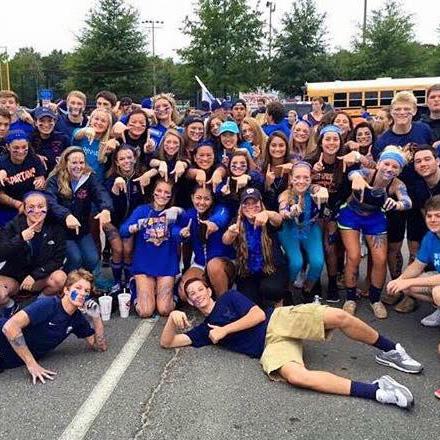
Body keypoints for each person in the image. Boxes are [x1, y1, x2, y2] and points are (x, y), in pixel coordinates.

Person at [160, 277, 421, 409]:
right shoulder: (203, 331)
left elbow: (258, 315)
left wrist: (225, 330)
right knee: (296, 377)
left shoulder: (229, 298)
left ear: (208, 290)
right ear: (190, 301)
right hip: (270, 348)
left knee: (339, 316)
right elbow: (168, 343)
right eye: (190, 294)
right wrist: (171, 319)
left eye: (198, 290)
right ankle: (377, 390)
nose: (195, 295)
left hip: (278, 321)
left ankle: (391, 350)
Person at [338, 147, 412, 318]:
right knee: (354, 256)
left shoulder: (397, 184)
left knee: (380, 258)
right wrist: (355, 176)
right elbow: (354, 172)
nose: (389, 169)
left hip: (375, 218)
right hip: (351, 214)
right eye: (386, 164)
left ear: (399, 170)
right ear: (378, 164)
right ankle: (350, 298)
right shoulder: (367, 172)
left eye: (395, 167)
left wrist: (398, 205)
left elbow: (406, 200)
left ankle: (375, 299)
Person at [0, 269, 107, 383]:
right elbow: (9, 327)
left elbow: (99, 346)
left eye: (86, 291)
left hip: (8, 360)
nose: (82, 293)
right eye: (78, 288)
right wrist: (32, 364)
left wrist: (96, 317)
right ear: (66, 290)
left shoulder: (77, 319)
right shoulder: (49, 304)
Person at [119, 179, 184, 318]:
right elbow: (123, 230)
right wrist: (135, 226)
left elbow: (178, 233)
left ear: (171, 196)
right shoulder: (142, 210)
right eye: (159, 191)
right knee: (145, 311)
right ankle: (134, 286)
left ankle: (175, 290)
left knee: (164, 310)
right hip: (144, 264)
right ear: (153, 192)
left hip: (166, 264)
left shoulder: (173, 213)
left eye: (167, 192)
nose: (162, 195)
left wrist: (182, 231)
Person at [386, 195, 440, 353]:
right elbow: (418, 265)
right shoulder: (430, 237)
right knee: (407, 287)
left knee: (437, 292)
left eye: (438, 216)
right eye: (429, 216)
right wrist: (400, 280)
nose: (433, 220)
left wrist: (408, 282)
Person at [46, 147, 113, 273]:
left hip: (82, 229)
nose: (78, 166)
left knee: (92, 259)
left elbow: (101, 193)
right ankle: (67, 283)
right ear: (66, 163)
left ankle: (83, 283)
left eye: (81, 162)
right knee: (75, 258)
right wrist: (66, 216)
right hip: (60, 230)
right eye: (74, 162)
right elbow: (50, 202)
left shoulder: (89, 178)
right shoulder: (54, 180)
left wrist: (106, 209)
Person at [0, 191, 67, 316]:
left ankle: (37, 306)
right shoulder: (12, 226)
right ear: (25, 210)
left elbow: (58, 260)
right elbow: (1, 253)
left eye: (41, 206)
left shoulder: (56, 228)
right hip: (13, 278)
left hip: (37, 279)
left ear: (47, 209)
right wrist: (20, 238)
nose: (36, 211)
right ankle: (11, 306)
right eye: (31, 207)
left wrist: (35, 275)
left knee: (60, 277)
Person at [222, 188, 288, 308]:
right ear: (241, 206)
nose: (250, 206)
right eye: (246, 204)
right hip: (248, 272)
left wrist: (268, 214)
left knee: (271, 289)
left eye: (254, 203)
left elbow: (278, 220)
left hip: (272, 268)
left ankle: (281, 299)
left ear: (261, 203)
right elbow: (226, 240)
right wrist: (231, 233)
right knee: (247, 303)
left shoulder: (268, 218)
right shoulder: (237, 221)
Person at [178, 185, 235, 300]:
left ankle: (223, 302)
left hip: (222, 262)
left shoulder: (220, 208)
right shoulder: (189, 215)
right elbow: (177, 230)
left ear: (212, 200)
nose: (202, 202)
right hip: (200, 263)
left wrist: (214, 223)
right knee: (185, 292)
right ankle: (210, 292)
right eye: (198, 198)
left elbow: (223, 215)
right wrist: (180, 233)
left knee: (213, 266)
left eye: (207, 199)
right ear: (192, 197)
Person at [278, 162, 324, 303]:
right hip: (289, 228)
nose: (301, 181)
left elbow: (320, 190)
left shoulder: (314, 190)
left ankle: (307, 289)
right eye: (297, 177)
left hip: (310, 228)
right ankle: (289, 289)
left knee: (317, 262)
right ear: (291, 178)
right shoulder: (286, 194)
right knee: (296, 262)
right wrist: (289, 213)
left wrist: (323, 191)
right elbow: (282, 209)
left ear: (311, 179)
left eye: (306, 177)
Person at [104, 145, 145, 294]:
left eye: (129, 157)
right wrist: (115, 189)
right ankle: (116, 282)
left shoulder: (140, 177)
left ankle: (127, 281)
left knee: (127, 250)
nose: (126, 161)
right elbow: (108, 204)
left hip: (131, 221)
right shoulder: (110, 179)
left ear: (135, 158)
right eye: (122, 158)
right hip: (113, 222)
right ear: (116, 162)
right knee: (117, 249)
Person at [0, 130, 46, 226]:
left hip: (32, 205)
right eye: (16, 148)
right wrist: (18, 204)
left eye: (24, 147)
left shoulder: (33, 158)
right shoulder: (2, 164)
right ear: (8, 147)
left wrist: (41, 180)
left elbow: (41, 176)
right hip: (9, 209)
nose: (21, 151)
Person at [30, 106, 69, 174]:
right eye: (42, 121)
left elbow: (71, 156)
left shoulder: (63, 138)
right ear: (36, 122)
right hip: (37, 178)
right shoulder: (30, 139)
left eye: (50, 121)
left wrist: (64, 160)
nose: (46, 124)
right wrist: (36, 157)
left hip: (58, 177)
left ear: (54, 121)